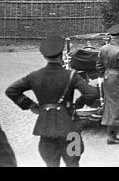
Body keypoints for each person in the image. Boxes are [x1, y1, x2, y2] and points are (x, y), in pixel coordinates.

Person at [5, 35, 98, 167]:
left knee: (51, 164)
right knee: (73, 164)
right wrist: (77, 104)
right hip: (71, 129)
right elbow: (92, 94)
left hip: (46, 130)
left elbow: (11, 91)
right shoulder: (72, 75)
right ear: (61, 55)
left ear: (44, 56)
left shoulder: (34, 76)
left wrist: (31, 105)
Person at [96, 24, 119, 145]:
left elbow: (99, 66)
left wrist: (106, 74)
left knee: (110, 107)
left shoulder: (103, 49)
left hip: (108, 79)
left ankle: (111, 135)